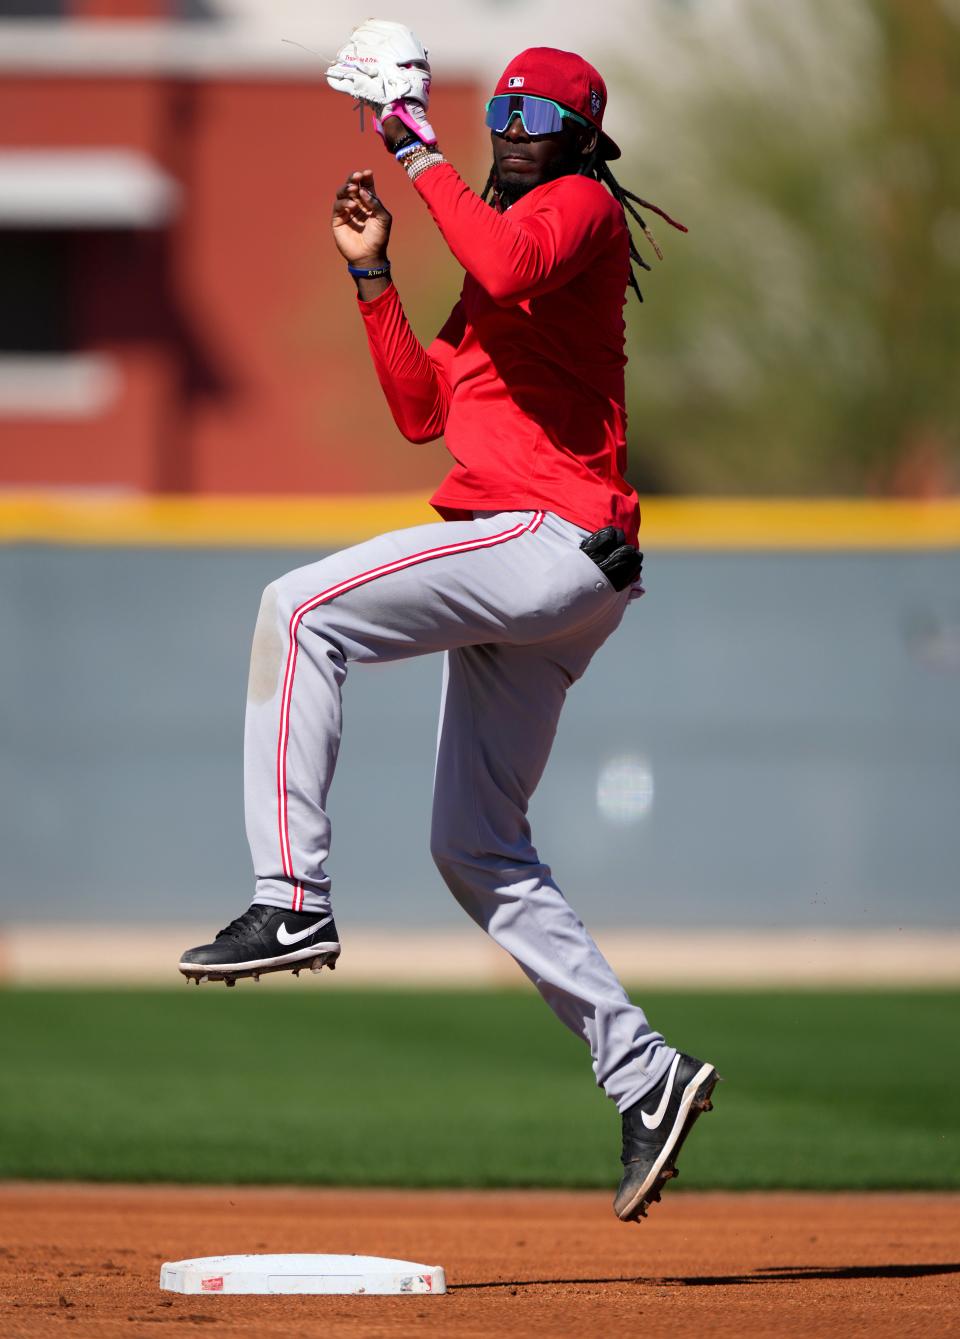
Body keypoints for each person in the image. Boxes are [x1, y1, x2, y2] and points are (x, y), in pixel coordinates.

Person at [179, 27, 718, 1223]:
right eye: (503, 120)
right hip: (549, 571)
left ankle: (291, 894)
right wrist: (373, 274)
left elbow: (516, 258)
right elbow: (424, 410)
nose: (514, 138)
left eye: (536, 121)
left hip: (545, 540)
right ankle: (647, 1075)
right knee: (475, 848)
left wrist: (415, 144)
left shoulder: (577, 209)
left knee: (298, 606)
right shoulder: (495, 251)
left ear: (579, 136)